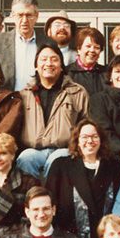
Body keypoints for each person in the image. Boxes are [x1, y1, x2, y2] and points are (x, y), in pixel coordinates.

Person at [45, 120, 120, 238]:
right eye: (84, 137)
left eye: (94, 136)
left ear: (101, 140)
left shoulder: (115, 165)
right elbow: (51, 201)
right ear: (77, 141)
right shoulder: (61, 166)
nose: (90, 141)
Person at [16, 42, 90, 178]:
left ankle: (52, 198)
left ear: (62, 66)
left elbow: (86, 124)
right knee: (25, 158)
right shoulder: (25, 94)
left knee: (58, 158)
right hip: (34, 150)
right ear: (36, 67)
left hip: (65, 150)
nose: (49, 63)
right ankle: (30, 197)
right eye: (43, 59)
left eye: (54, 59)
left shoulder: (77, 92)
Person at [0, 0, 52, 90]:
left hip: (38, 101)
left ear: (36, 16)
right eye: (20, 15)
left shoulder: (48, 43)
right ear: (12, 16)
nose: (24, 20)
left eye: (29, 15)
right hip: (6, 101)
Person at [65, 26, 108, 96]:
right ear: (79, 49)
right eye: (88, 46)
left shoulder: (106, 73)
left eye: (96, 47)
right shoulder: (67, 73)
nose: (92, 50)